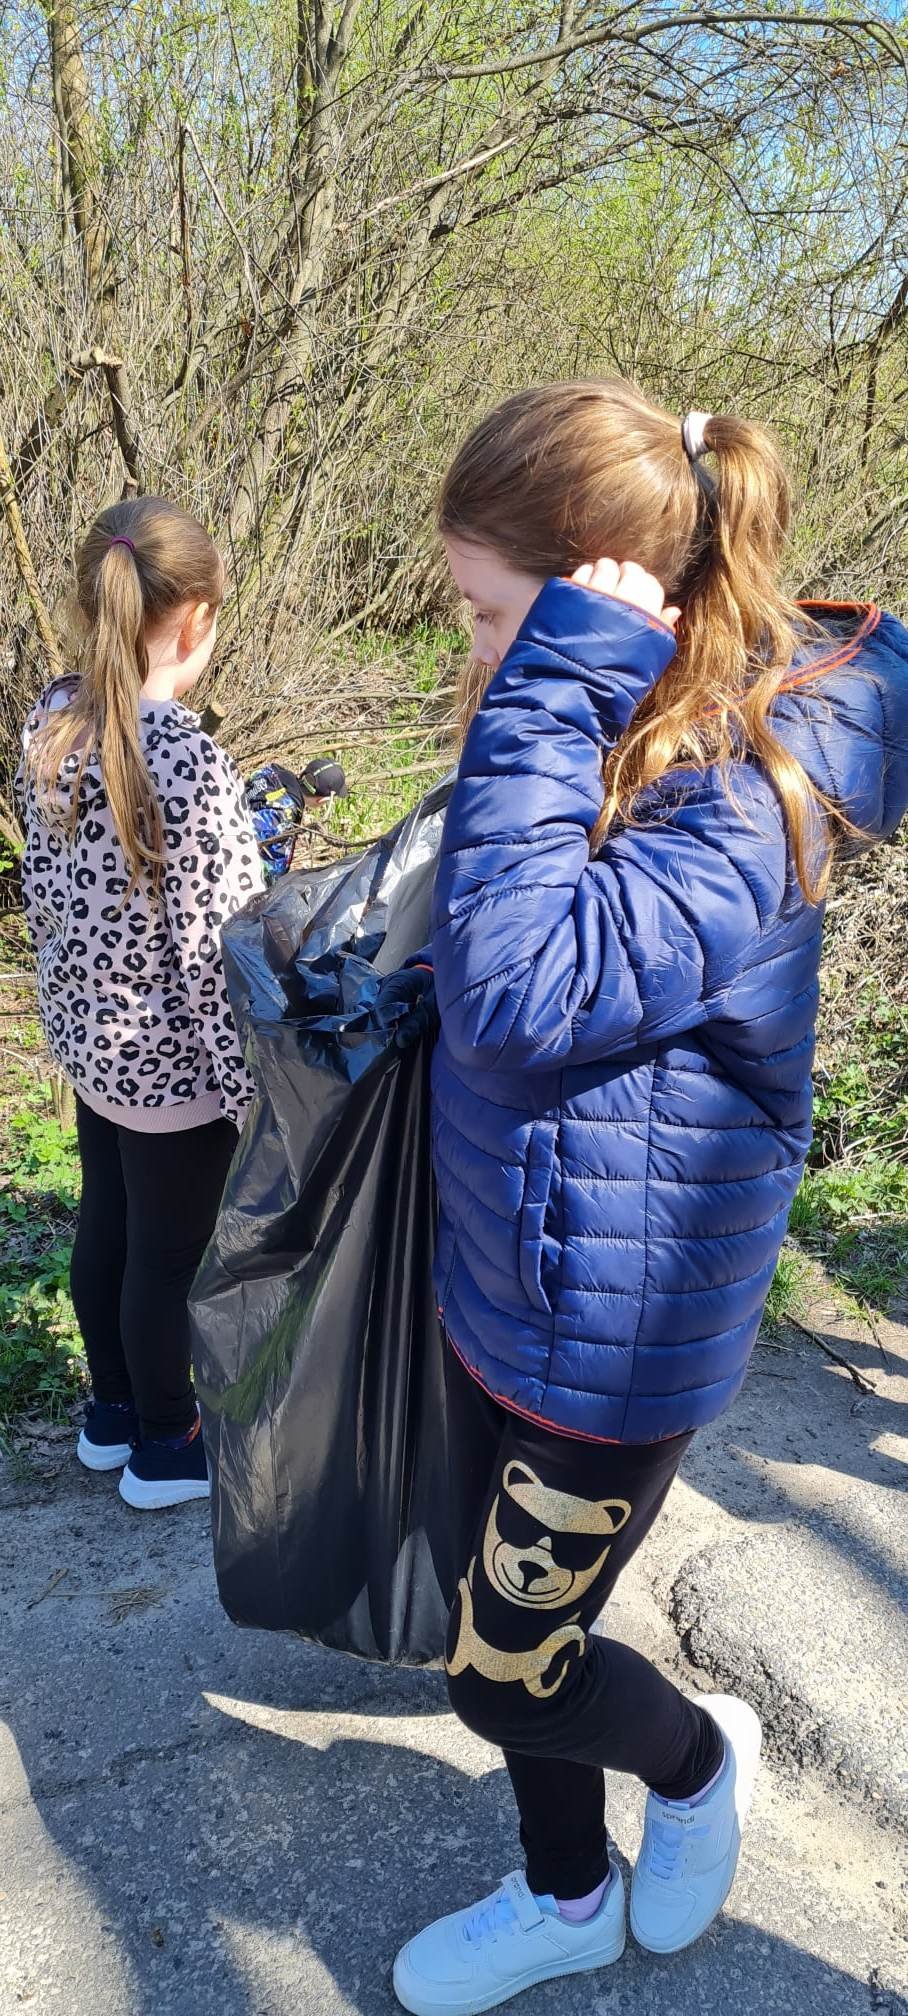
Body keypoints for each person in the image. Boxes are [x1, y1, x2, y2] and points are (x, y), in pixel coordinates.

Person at [392, 382, 908, 2014]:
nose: (477, 651)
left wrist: (548, 683)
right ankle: (565, 1893)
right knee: (487, 1629)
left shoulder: (746, 787)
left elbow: (518, 993)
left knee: (504, 1672)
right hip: (503, 1272)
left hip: (611, 1342)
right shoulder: (599, 712)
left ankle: (693, 1765)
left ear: (605, 601)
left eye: (493, 614)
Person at [17, 497, 264, 1512]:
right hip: (173, 1070)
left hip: (93, 1047)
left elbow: (47, 891)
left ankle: (111, 1413)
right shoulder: (185, 760)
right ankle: (166, 1446)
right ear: (197, 618)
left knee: (108, 1230)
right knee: (166, 1262)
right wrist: (248, 1094)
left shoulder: (51, 720)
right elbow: (219, 955)